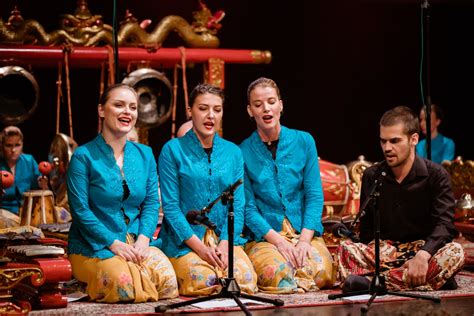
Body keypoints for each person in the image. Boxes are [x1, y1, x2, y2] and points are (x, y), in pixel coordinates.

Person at [66, 83, 178, 303]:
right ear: (101, 110)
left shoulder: (145, 154)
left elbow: (151, 203)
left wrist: (144, 240)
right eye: (119, 105)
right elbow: (80, 210)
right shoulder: (83, 156)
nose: (128, 112)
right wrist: (113, 243)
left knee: (167, 282)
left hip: (136, 241)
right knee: (123, 284)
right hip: (95, 244)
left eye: (133, 107)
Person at [337, 106, 464, 293]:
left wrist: (422, 256)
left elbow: (445, 226)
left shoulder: (437, 175)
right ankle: (430, 279)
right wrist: (374, 246)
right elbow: (366, 230)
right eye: (383, 141)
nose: (387, 148)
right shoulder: (372, 175)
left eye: (395, 141)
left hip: (424, 251)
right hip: (386, 253)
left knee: (455, 252)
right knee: (345, 249)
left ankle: (373, 284)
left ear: (413, 139)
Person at [156, 83, 258, 296]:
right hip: (186, 240)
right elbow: (172, 208)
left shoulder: (233, 152)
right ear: (190, 111)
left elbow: (238, 205)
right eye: (203, 108)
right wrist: (201, 249)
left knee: (242, 282)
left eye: (217, 110)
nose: (210, 115)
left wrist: (225, 244)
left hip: (223, 240)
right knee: (207, 282)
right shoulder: (172, 150)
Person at [240, 77, 335, 294]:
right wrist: (279, 242)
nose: (266, 108)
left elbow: (313, 195)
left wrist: (303, 241)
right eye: (258, 104)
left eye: (271, 101)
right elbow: (248, 209)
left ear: (280, 105)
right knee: (277, 274)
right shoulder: (242, 152)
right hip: (266, 236)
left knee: (322, 271)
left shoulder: (304, 141)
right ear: (249, 110)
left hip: (303, 233)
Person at [0, 126, 48, 228]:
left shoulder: (29, 161)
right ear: (1, 146)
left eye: (17, 145)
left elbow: (40, 192)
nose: (13, 150)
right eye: (8, 145)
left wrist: (43, 185)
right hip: (3, 216)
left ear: (22, 144)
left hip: (27, 214)